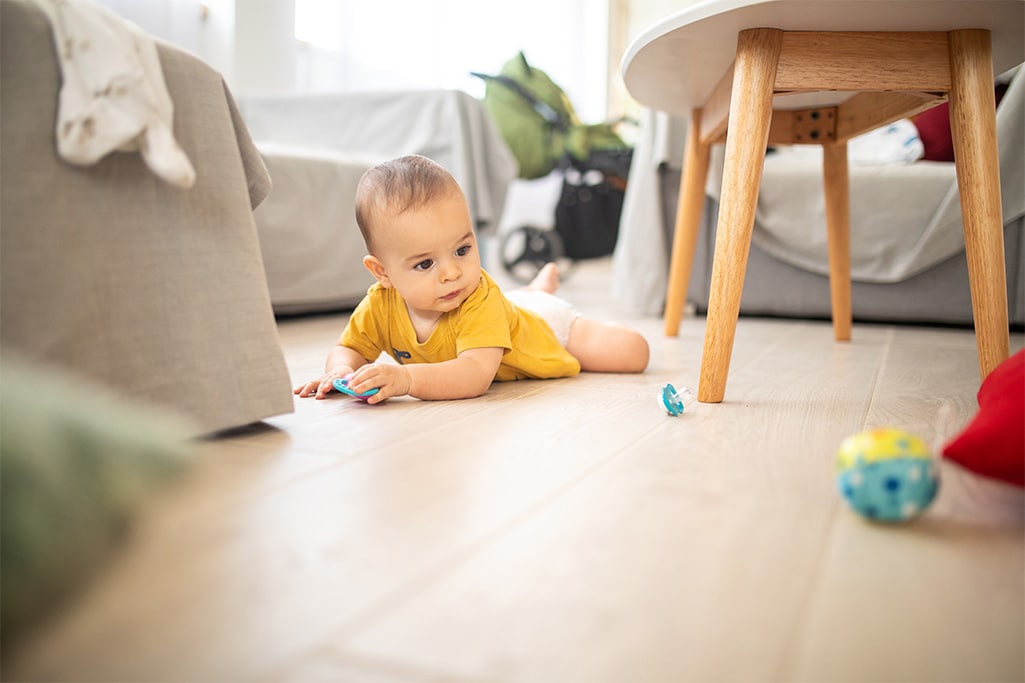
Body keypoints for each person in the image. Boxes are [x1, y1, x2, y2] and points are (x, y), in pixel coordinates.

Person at [294, 155, 649, 404]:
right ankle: (531, 292)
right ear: (382, 273)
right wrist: (340, 373)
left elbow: (475, 374)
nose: (451, 273)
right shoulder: (380, 305)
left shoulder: (476, 295)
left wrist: (408, 379)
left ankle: (539, 296)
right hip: (508, 310)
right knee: (513, 305)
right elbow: (350, 349)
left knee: (633, 353)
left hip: (548, 329)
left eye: (462, 250)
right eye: (425, 264)